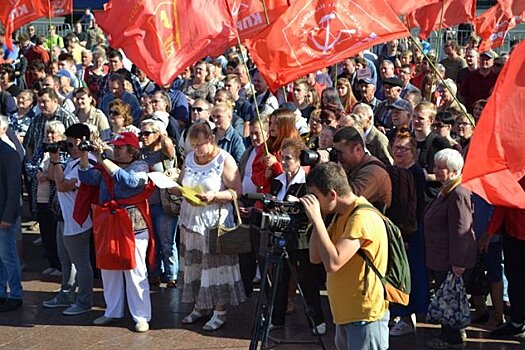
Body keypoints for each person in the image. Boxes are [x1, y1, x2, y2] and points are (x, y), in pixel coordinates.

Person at [300, 162, 389, 350]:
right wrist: (319, 222)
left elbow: (333, 263)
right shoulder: (341, 214)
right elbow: (315, 257)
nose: (313, 202)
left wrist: (317, 218)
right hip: (345, 313)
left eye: (316, 196)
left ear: (332, 194)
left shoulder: (361, 217)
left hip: (364, 316)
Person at [168, 122, 245, 331]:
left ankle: (219, 311)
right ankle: (199, 306)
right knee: (194, 264)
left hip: (213, 221)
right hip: (191, 220)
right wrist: (174, 188)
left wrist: (214, 196)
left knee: (214, 266)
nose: (196, 150)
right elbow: (182, 183)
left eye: (199, 145)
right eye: (193, 145)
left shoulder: (224, 159)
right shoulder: (191, 158)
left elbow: (236, 192)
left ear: (210, 140)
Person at [78, 132, 154, 333]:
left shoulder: (140, 166)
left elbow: (128, 182)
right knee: (109, 268)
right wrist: (85, 156)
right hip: (109, 223)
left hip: (133, 226)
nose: (115, 150)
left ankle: (141, 316)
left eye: (120, 148)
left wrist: (104, 160)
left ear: (132, 151)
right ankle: (112, 311)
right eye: (115, 147)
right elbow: (86, 177)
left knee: (135, 270)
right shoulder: (107, 165)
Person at [268, 138, 326, 334]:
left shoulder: (308, 182)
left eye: (288, 159)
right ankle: (276, 318)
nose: (283, 163)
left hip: (302, 238)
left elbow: (313, 208)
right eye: (282, 158)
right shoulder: (278, 181)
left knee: (307, 281)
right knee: (279, 279)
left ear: (300, 160)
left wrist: (297, 203)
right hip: (281, 235)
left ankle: (317, 321)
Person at [424, 149, 477, 349]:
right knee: (446, 296)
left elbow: (461, 230)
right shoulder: (447, 189)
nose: (436, 171)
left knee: (450, 300)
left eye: (441, 168)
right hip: (442, 257)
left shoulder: (458, 193)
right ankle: (451, 334)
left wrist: (458, 263)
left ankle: (451, 338)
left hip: (450, 260)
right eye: (436, 167)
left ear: (453, 171)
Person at [43, 124, 95, 316]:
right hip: (63, 217)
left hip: (77, 220)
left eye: (70, 142)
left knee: (81, 263)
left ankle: (84, 301)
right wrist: (54, 159)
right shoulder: (71, 160)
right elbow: (51, 176)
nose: (67, 145)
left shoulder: (88, 160)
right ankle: (66, 294)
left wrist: (57, 163)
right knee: (65, 260)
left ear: (80, 141)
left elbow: (63, 185)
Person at [388, 131, 429, 337]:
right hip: (398, 230)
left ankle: (406, 318)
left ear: (413, 151)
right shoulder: (395, 170)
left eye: (404, 148)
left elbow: (411, 207)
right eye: (396, 146)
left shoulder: (414, 173)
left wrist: (405, 236)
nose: (399, 151)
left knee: (406, 275)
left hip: (410, 232)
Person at [139, 120, 179, 288]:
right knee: (151, 242)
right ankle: (154, 273)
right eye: (141, 134)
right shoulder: (141, 153)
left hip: (164, 205)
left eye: (147, 133)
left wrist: (161, 134)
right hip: (147, 204)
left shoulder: (165, 153)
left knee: (167, 242)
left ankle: (171, 276)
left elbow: (169, 143)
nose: (143, 137)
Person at [332, 126, 391, 212]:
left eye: (340, 152)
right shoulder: (352, 167)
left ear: (358, 149)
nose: (338, 157)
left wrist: (332, 171)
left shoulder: (373, 173)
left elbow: (347, 200)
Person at [0, 116, 23, 313]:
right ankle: (1, 292)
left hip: (4, 215)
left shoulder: (9, 154)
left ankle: (15, 294)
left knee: (8, 256)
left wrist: (7, 217)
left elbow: (14, 189)